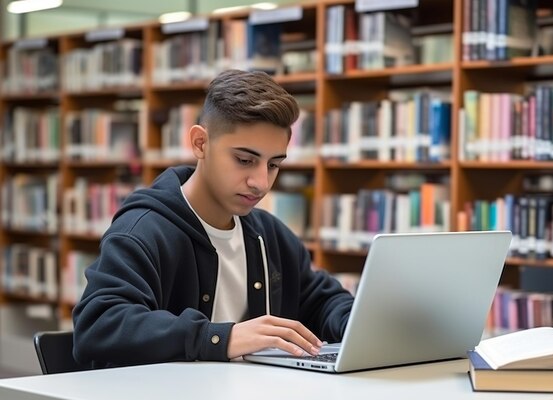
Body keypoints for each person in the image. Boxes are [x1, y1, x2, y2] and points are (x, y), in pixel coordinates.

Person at [72, 69, 353, 368]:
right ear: (200, 143)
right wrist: (221, 338)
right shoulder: (142, 232)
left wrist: (360, 324)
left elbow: (323, 301)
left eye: (273, 165)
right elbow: (98, 327)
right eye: (245, 160)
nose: (261, 182)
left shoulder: (269, 234)